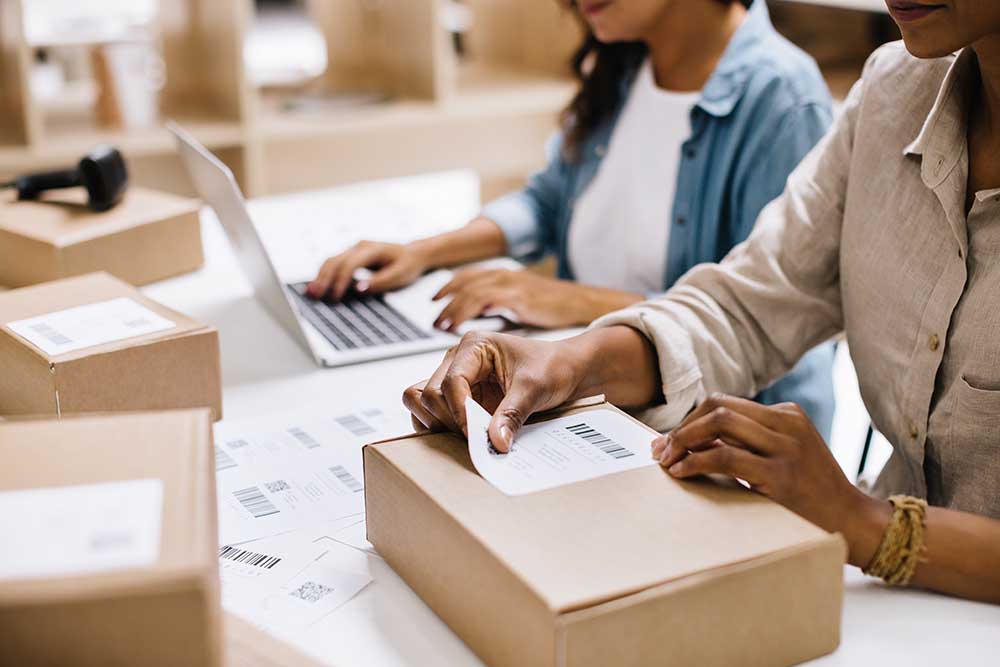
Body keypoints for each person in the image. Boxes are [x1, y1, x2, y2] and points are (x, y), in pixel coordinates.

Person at [402, 0, 1000, 603]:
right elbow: (748, 303)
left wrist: (869, 524)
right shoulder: (892, 91)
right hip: (875, 597)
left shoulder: (780, 92)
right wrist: (567, 362)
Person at [308, 0, 838, 438]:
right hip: (586, 395)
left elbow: (752, 318)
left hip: (708, 434)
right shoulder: (626, 62)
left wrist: (567, 298)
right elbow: (546, 200)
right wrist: (422, 252)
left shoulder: (782, 98)